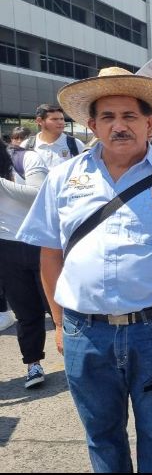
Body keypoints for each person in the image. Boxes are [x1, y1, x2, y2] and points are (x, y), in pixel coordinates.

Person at [17, 67, 152, 472]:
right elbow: (50, 254)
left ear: (150, 122)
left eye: (130, 116)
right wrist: (59, 323)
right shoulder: (63, 179)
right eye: (108, 117)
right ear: (92, 125)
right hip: (85, 332)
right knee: (101, 434)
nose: (119, 126)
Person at [0, 138, 48, 384]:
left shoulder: (26, 158)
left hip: (41, 243)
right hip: (6, 248)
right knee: (26, 312)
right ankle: (33, 364)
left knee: (60, 308)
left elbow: (39, 195)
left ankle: (80, 362)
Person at [22, 104, 85, 168]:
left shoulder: (76, 144)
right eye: (54, 119)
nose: (60, 122)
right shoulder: (26, 146)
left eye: (62, 119)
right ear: (39, 121)